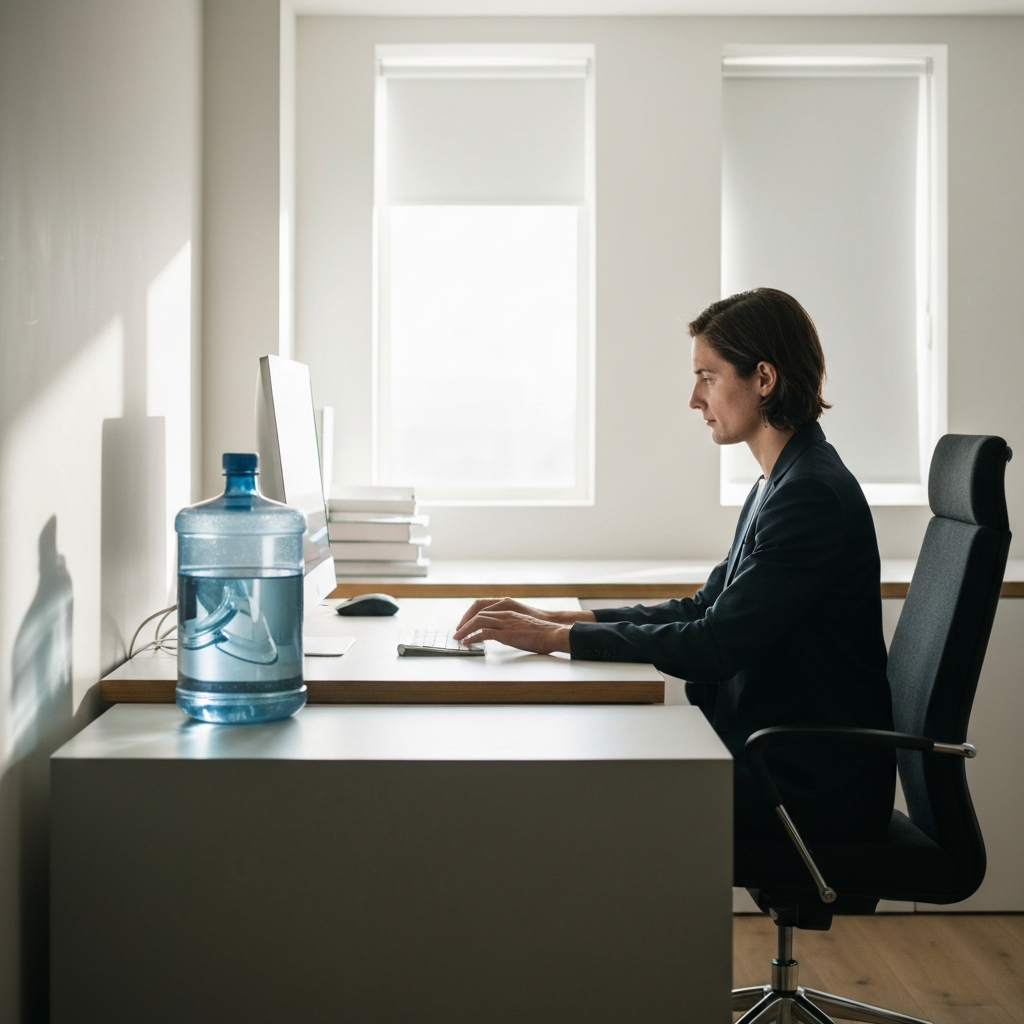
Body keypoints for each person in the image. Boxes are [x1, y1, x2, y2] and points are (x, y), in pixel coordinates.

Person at [454, 288, 896, 842]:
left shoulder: (810, 495)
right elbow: (703, 608)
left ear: (763, 378)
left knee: (575, 791)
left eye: (708, 377)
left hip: (801, 788)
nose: (694, 398)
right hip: (770, 756)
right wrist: (559, 620)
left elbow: (714, 645)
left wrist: (555, 637)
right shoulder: (781, 480)